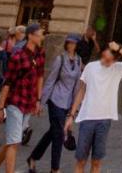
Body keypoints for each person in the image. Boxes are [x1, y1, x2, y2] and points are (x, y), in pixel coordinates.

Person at [64, 39, 122, 173]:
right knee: (81, 159)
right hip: (87, 118)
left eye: (108, 59)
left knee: (96, 161)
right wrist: (71, 115)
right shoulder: (91, 67)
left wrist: (119, 48)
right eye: (103, 56)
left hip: (104, 120)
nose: (104, 60)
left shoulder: (118, 68)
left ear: (114, 60)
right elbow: (81, 91)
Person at [0, 23, 47, 173]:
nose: (42, 36)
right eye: (40, 33)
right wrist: (1, 107)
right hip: (15, 101)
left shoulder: (40, 53)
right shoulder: (17, 55)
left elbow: (40, 76)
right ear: (31, 36)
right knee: (14, 143)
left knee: (12, 141)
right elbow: (7, 83)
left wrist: (38, 100)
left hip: (29, 102)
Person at [27, 33, 83, 173]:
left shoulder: (78, 61)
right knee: (58, 134)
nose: (71, 45)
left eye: (74, 43)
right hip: (55, 100)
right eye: (69, 42)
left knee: (53, 132)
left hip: (68, 102)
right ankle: (55, 169)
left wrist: (74, 108)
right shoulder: (60, 59)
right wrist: (41, 101)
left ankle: (33, 158)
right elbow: (51, 80)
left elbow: (77, 85)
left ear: (77, 45)